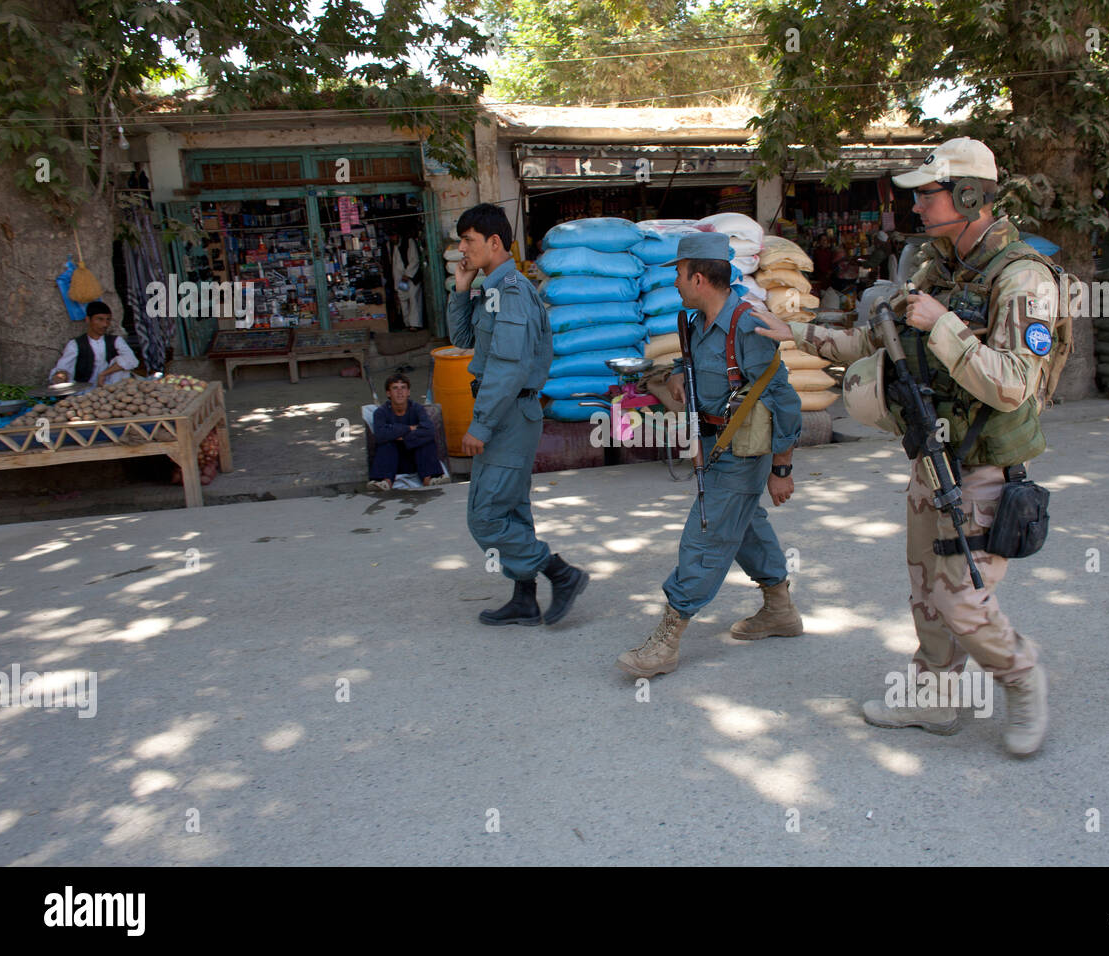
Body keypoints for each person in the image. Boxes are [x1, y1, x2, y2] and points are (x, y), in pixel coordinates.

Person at [752, 138, 1057, 757]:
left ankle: (1023, 679)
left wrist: (940, 324)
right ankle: (936, 700)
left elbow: (1013, 384)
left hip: (984, 464)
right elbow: (875, 340)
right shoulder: (936, 267)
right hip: (932, 457)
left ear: (969, 195)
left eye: (928, 193)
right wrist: (800, 333)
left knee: (961, 596)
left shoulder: (1025, 278)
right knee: (925, 587)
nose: (916, 206)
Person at [616, 232, 803, 678]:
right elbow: (700, 366)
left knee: (706, 533)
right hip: (715, 443)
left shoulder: (748, 325)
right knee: (743, 525)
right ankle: (780, 610)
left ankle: (667, 639)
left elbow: (784, 400)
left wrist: (782, 469)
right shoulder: (696, 321)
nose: (675, 284)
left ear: (698, 277)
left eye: (678, 275)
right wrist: (680, 374)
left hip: (744, 450)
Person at [447, 203, 588, 627]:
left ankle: (561, 574)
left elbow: (507, 367)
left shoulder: (511, 291)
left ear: (494, 242)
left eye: (467, 241)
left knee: (486, 516)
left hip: (508, 414)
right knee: (510, 512)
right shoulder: (492, 287)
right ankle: (524, 598)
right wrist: (460, 289)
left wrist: (481, 424)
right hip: (504, 410)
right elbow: (462, 338)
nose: (461, 250)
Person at [367, 373, 448, 491]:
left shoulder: (417, 408)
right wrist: (409, 428)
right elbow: (380, 435)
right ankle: (384, 483)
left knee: (425, 442)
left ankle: (430, 480)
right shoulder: (381, 412)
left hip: (417, 460)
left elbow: (429, 431)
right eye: (395, 388)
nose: (400, 392)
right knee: (386, 443)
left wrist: (401, 436)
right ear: (388, 393)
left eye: (403, 388)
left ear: (408, 392)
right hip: (392, 462)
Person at [48, 301, 138, 386]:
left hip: (110, 388)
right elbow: (63, 368)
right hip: (85, 392)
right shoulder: (75, 345)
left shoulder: (116, 341)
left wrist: (103, 374)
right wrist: (61, 375)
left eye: (108, 320)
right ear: (88, 320)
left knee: (122, 364)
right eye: (100, 319)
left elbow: (132, 360)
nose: (105, 324)